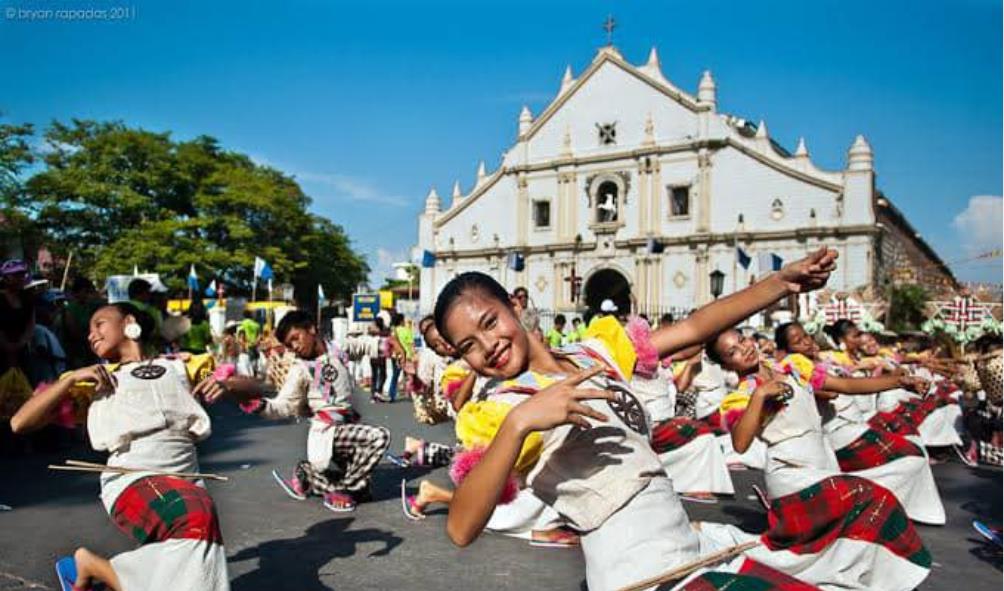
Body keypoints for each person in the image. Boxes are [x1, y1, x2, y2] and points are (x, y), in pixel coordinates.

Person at [434, 249, 916, 590]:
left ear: (516, 307)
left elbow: (693, 326)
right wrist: (521, 421)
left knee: (862, 517)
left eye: (490, 322)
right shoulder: (500, 409)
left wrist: (781, 284)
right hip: (639, 574)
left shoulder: (596, 351)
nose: (487, 346)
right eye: (466, 347)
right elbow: (460, 528)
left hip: (685, 547)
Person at [11, 302, 229, 591]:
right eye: (88, 331)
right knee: (197, 514)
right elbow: (19, 423)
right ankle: (101, 569)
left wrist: (229, 384)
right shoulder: (92, 379)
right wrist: (70, 380)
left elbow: (257, 390)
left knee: (195, 545)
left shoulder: (182, 364)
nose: (91, 335)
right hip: (133, 477)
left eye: (99, 324)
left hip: (188, 479)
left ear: (128, 321)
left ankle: (92, 568)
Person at [207, 310, 390, 513]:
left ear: (311, 329)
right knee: (379, 437)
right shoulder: (300, 369)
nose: (295, 346)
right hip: (326, 433)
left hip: (347, 428)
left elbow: (365, 344)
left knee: (365, 491)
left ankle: (310, 474)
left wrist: (393, 346)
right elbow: (282, 406)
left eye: (296, 338)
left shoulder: (338, 348)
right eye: (289, 344)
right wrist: (250, 401)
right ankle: (341, 487)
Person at [367, 317, 390, 402]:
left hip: (375, 356)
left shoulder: (373, 333)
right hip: (379, 356)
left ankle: (375, 394)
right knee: (381, 375)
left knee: (376, 375)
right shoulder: (384, 333)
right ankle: (377, 392)